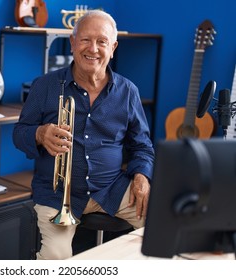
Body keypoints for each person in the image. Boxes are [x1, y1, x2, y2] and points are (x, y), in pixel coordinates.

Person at [12, 10, 155, 260]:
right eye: (86, 40)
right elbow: (19, 133)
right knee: (56, 258)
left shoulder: (128, 91)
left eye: (102, 41)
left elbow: (142, 145)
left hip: (111, 189)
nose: (93, 48)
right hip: (56, 193)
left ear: (113, 47)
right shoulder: (44, 86)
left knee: (163, 232)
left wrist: (142, 176)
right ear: (72, 43)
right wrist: (39, 133)